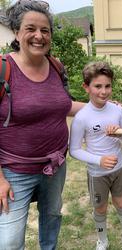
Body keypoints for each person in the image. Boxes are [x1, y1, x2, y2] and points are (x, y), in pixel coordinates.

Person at [0, 1, 84, 249]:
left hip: (55, 167)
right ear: (17, 32)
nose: (39, 36)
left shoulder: (57, 67)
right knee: (10, 241)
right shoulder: (3, 69)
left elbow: (64, 105)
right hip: (14, 172)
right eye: (31, 29)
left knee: (52, 219)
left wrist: (107, 108)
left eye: (45, 30)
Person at [69, 61, 122, 250]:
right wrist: (99, 160)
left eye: (107, 86)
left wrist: (120, 133)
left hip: (119, 168)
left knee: (120, 202)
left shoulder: (117, 110)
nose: (103, 91)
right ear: (86, 87)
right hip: (97, 173)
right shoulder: (81, 117)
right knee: (100, 208)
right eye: (98, 86)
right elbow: (74, 150)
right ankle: (102, 241)